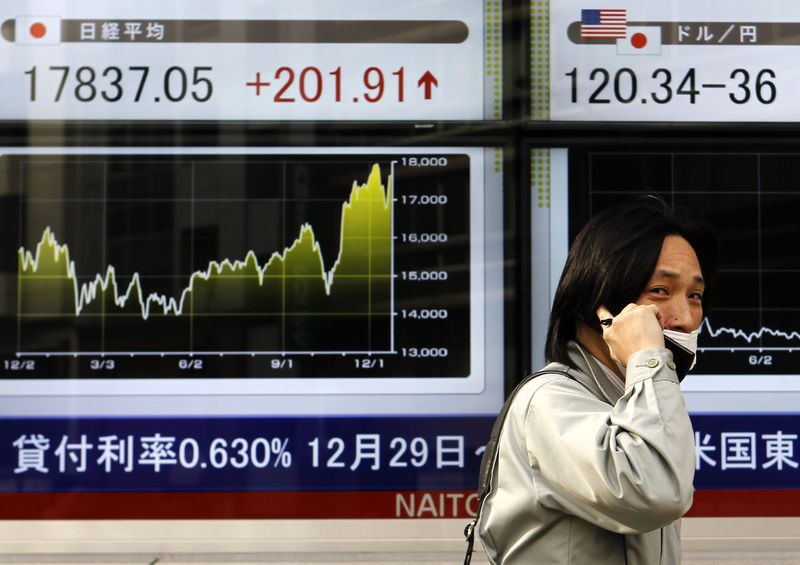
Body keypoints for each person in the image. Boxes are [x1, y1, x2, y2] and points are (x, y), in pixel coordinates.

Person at [477, 197, 718, 564]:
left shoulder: (634, 402)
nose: (685, 317)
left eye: (695, 296)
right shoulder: (548, 402)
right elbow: (655, 492)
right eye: (660, 291)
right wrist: (648, 358)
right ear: (600, 302)